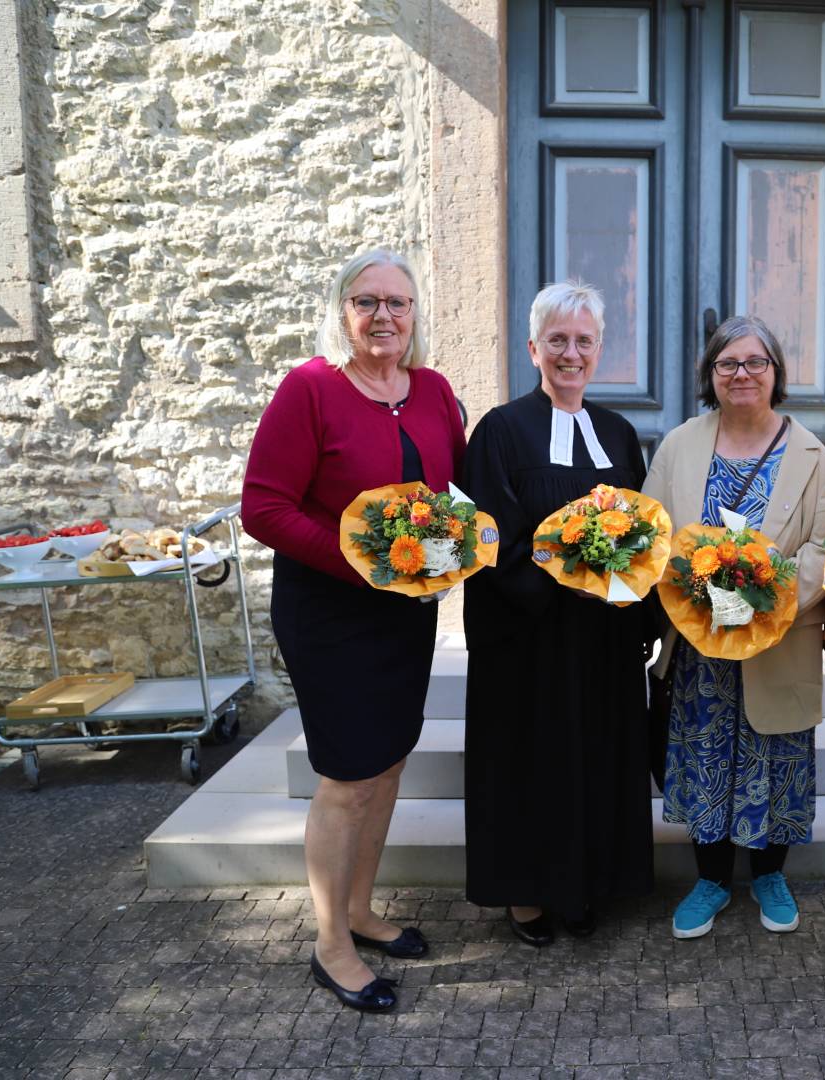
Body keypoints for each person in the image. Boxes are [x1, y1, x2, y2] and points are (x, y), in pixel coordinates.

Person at [242, 248, 467, 1012]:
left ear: (415, 315)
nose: (383, 316)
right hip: (331, 613)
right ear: (342, 311)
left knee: (390, 762)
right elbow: (264, 508)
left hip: (405, 613)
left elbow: (451, 495)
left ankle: (364, 910)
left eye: (397, 303)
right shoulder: (308, 390)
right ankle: (331, 943)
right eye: (366, 301)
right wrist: (360, 563)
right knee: (347, 777)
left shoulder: (432, 390)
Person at [460, 280, 655, 946]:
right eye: (558, 341)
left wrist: (628, 594)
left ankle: (587, 884)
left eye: (584, 341)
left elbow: (645, 533)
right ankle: (527, 893)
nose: (571, 354)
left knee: (597, 759)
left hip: (602, 638)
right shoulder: (500, 431)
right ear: (533, 348)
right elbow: (490, 533)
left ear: (600, 349)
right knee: (532, 763)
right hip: (530, 640)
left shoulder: (619, 433)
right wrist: (557, 579)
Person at [642, 316, 825, 940]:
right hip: (699, 643)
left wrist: (765, 595)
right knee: (704, 756)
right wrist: (696, 590)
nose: (742, 374)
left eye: (756, 362)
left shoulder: (815, 456)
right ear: (710, 375)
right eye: (727, 364)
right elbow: (653, 530)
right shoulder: (679, 444)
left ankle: (769, 876)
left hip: (777, 639)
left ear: (777, 373)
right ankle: (710, 881)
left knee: (775, 755)